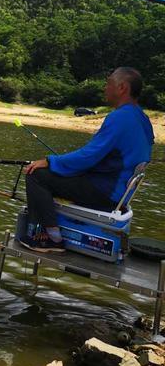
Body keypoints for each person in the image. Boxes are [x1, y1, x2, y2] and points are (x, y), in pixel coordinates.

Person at [20, 67, 154, 253]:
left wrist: (50, 161)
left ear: (122, 88)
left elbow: (88, 156)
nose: (105, 88)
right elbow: (107, 159)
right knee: (52, 174)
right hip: (119, 195)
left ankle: (50, 238)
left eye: (108, 83)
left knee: (37, 175)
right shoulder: (143, 119)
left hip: (105, 193)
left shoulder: (120, 118)